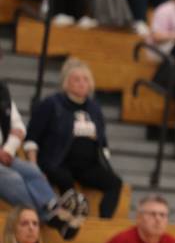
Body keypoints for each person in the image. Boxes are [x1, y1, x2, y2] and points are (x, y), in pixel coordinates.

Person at [24, 59, 122, 219]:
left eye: (85, 79)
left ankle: (104, 221)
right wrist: (34, 168)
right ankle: (65, 220)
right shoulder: (51, 104)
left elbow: (103, 142)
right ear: (65, 82)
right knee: (65, 180)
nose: (82, 83)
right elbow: (32, 138)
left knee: (115, 183)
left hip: (88, 165)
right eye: (76, 79)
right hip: (57, 161)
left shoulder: (94, 108)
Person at [0, 73, 85, 240]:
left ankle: (52, 209)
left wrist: (9, 149)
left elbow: (18, 127)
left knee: (32, 171)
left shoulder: (2, 91)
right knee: (14, 178)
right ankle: (53, 218)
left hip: (4, 153)